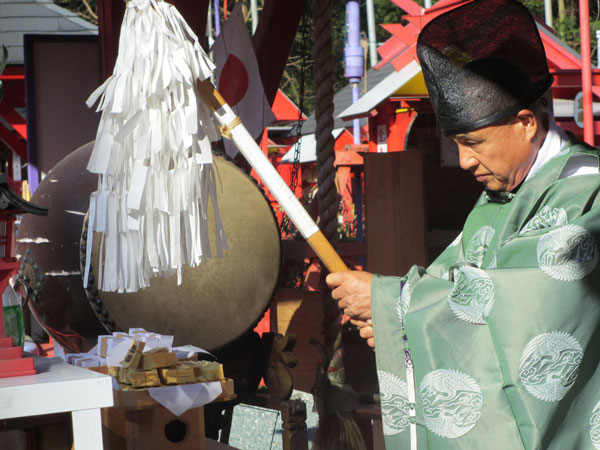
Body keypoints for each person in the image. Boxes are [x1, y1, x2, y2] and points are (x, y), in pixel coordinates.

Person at [326, 0, 600, 448]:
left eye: (474, 142)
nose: (465, 161)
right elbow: (450, 284)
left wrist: (394, 305)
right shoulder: (496, 198)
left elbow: (532, 305)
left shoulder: (589, 192)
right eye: (457, 145)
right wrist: (399, 320)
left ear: (526, 123)